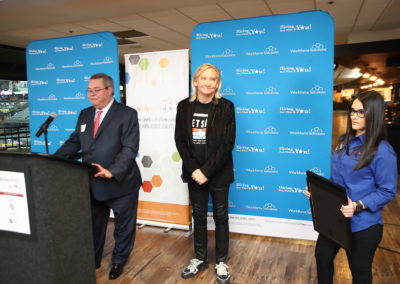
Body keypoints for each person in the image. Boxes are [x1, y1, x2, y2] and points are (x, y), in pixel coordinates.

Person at [55, 73, 142, 280]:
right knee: (94, 226)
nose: (92, 94)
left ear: (110, 90)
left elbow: (130, 148)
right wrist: (54, 160)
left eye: (96, 90)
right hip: (92, 182)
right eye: (89, 90)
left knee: (123, 227)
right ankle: (92, 260)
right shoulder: (85, 114)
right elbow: (74, 142)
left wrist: (112, 170)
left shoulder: (127, 114)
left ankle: (119, 261)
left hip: (121, 183)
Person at [304, 90, 397, 283]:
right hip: (335, 219)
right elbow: (337, 179)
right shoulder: (344, 141)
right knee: (322, 258)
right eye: (352, 111)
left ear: (374, 114)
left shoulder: (383, 151)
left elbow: (388, 191)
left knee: (360, 273)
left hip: (363, 225)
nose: (354, 116)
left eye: (361, 112)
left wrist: (358, 205)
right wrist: (318, 192)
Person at [174, 63, 235, 284]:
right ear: (196, 81)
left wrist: (206, 171)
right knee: (198, 217)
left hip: (218, 174)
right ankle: (199, 258)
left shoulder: (226, 107)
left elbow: (227, 143)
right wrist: (194, 171)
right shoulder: (183, 107)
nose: (208, 83)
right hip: (194, 174)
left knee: (221, 217)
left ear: (217, 83)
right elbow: (180, 141)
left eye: (213, 79)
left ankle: (220, 262)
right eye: (204, 78)